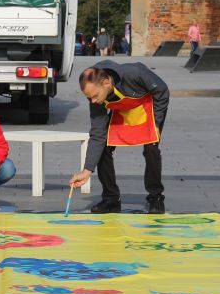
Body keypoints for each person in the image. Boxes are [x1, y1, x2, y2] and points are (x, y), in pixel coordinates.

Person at [70, 60, 169, 215]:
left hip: (147, 108)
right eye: (89, 98)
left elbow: (162, 91)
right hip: (122, 111)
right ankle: (111, 199)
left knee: (151, 148)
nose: (93, 101)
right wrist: (87, 170)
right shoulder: (96, 96)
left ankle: (156, 197)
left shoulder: (134, 73)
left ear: (106, 82)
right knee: (104, 148)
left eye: (94, 96)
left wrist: (156, 122)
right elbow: (97, 134)